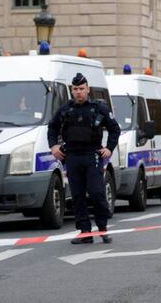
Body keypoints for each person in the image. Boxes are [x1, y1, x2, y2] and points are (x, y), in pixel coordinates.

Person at [47, 73, 121, 244]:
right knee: (78, 196)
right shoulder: (65, 110)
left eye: (81, 89)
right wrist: (54, 146)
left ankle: (102, 229)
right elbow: (52, 128)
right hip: (72, 156)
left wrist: (109, 148)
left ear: (87, 89)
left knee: (96, 193)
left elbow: (114, 129)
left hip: (92, 155)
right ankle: (85, 232)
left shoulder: (98, 108)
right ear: (71, 91)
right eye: (75, 89)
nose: (79, 92)